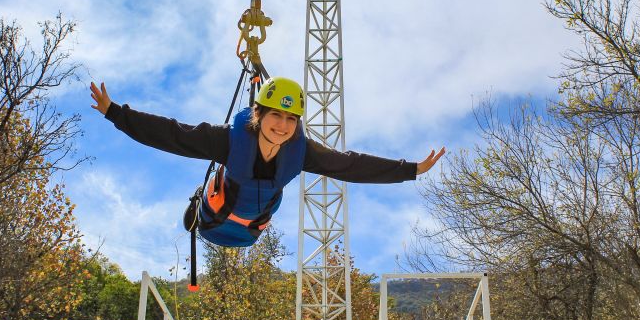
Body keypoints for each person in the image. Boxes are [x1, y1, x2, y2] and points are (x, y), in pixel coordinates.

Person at [90, 76, 445, 247]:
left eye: (292, 120)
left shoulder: (301, 152)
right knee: (217, 188)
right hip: (215, 220)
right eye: (277, 116)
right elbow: (172, 134)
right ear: (259, 114)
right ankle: (201, 200)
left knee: (326, 168)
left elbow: (351, 165)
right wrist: (116, 114)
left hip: (250, 230)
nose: (283, 126)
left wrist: (410, 170)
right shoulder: (226, 141)